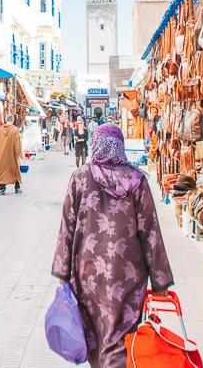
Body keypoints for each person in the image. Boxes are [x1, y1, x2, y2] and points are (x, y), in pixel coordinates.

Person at [52, 123, 174, 368]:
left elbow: (67, 225)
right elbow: (150, 231)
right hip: (128, 274)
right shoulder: (137, 181)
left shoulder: (80, 178)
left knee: (96, 334)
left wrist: (62, 272)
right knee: (121, 336)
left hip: (88, 275)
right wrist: (160, 280)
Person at [0, 115, 22, 195]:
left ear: (5, 120)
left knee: (2, 171)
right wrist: (18, 155)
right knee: (15, 171)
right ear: (13, 120)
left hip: (2, 155)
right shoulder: (15, 130)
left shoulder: (1, 129)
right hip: (11, 155)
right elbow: (17, 144)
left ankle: (2, 189)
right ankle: (17, 188)